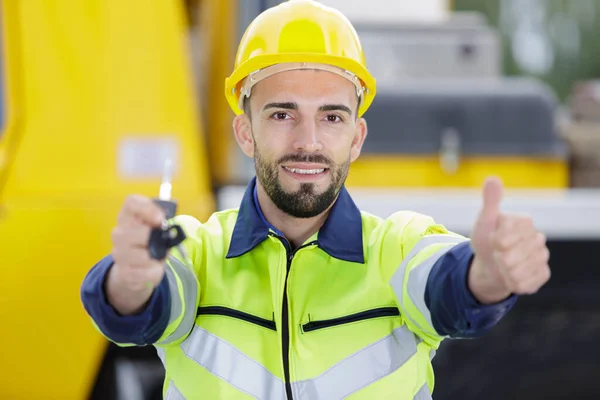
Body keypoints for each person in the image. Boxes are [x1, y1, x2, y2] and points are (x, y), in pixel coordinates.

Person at [80, 1, 551, 399]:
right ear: (245, 131)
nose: (308, 141)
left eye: (331, 117)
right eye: (282, 113)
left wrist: (486, 276)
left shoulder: (397, 248)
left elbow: (447, 287)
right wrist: (131, 279)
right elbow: (138, 308)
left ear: (357, 136)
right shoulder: (197, 252)